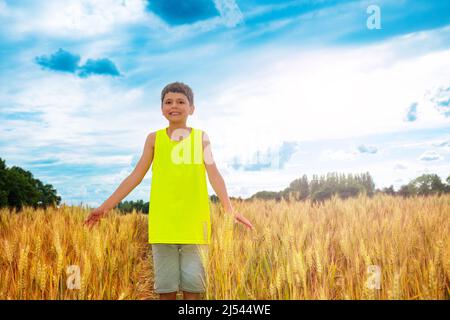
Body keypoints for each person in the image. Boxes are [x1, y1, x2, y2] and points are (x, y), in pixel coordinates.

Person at [84, 81, 254, 300]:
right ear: (161, 108)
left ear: (192, 108)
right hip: (163, 224)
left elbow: (214, 174)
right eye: (168, 102)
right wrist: (104, 207)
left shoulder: (201, 138)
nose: (174, 105)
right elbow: (135, 177)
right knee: (166, 290)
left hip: (196, 224)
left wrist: (229, 209)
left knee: (194, 288)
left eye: (181, 101)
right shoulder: (154, 139)